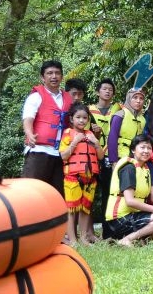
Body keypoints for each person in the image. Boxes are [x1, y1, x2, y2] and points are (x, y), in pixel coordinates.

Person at [105, 135, 153, 246]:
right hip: (120, 219)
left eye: (149, 148)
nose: (146, 151)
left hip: (134, 215)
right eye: (142, 147)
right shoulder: (129, 168)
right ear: (133, 149)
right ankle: (127, 239)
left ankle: (138, 239)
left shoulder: (145, 168)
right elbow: (130, 201)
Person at [22, 60, 74, 196]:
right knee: (32, 192)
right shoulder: (36, 96)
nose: (54, 76)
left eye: (57, 73)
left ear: (62, 77)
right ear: (42, 77)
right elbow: (28, 118)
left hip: (61, 154)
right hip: (38, 151)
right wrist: (29, 134)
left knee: (58, 195)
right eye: (49, 73)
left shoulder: (68, 98)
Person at [59, 103, 104, 244]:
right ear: (71, 119)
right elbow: (63, 156)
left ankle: (84, 239)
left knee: (86, 209)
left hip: (90, 178)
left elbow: (101, 156)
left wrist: (96, 143)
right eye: (78, 117)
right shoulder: (67, 133)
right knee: (71, 209)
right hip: (73, 177)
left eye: (85, 118)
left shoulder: (90, 135)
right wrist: (74, 143)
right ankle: (73, 240)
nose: (81, 120)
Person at [88, 78, 122, 240]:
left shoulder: (119, 109)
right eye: (104, 89)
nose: (107, 92)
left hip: (111, 155)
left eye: (110, 89)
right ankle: (88, 231)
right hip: (92, 155)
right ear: (97, 92)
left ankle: (108, 231)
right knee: (90, 193)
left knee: (110, 192)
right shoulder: (88, 111)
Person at [107, 88, 146, 167]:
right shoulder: (120, 115)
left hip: (135, 158)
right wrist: (114, 162)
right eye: (135, 97)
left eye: (141, 98)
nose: (138, 101)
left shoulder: (142, 119)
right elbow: (112, 139)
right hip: (120, 157)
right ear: (129, 98)